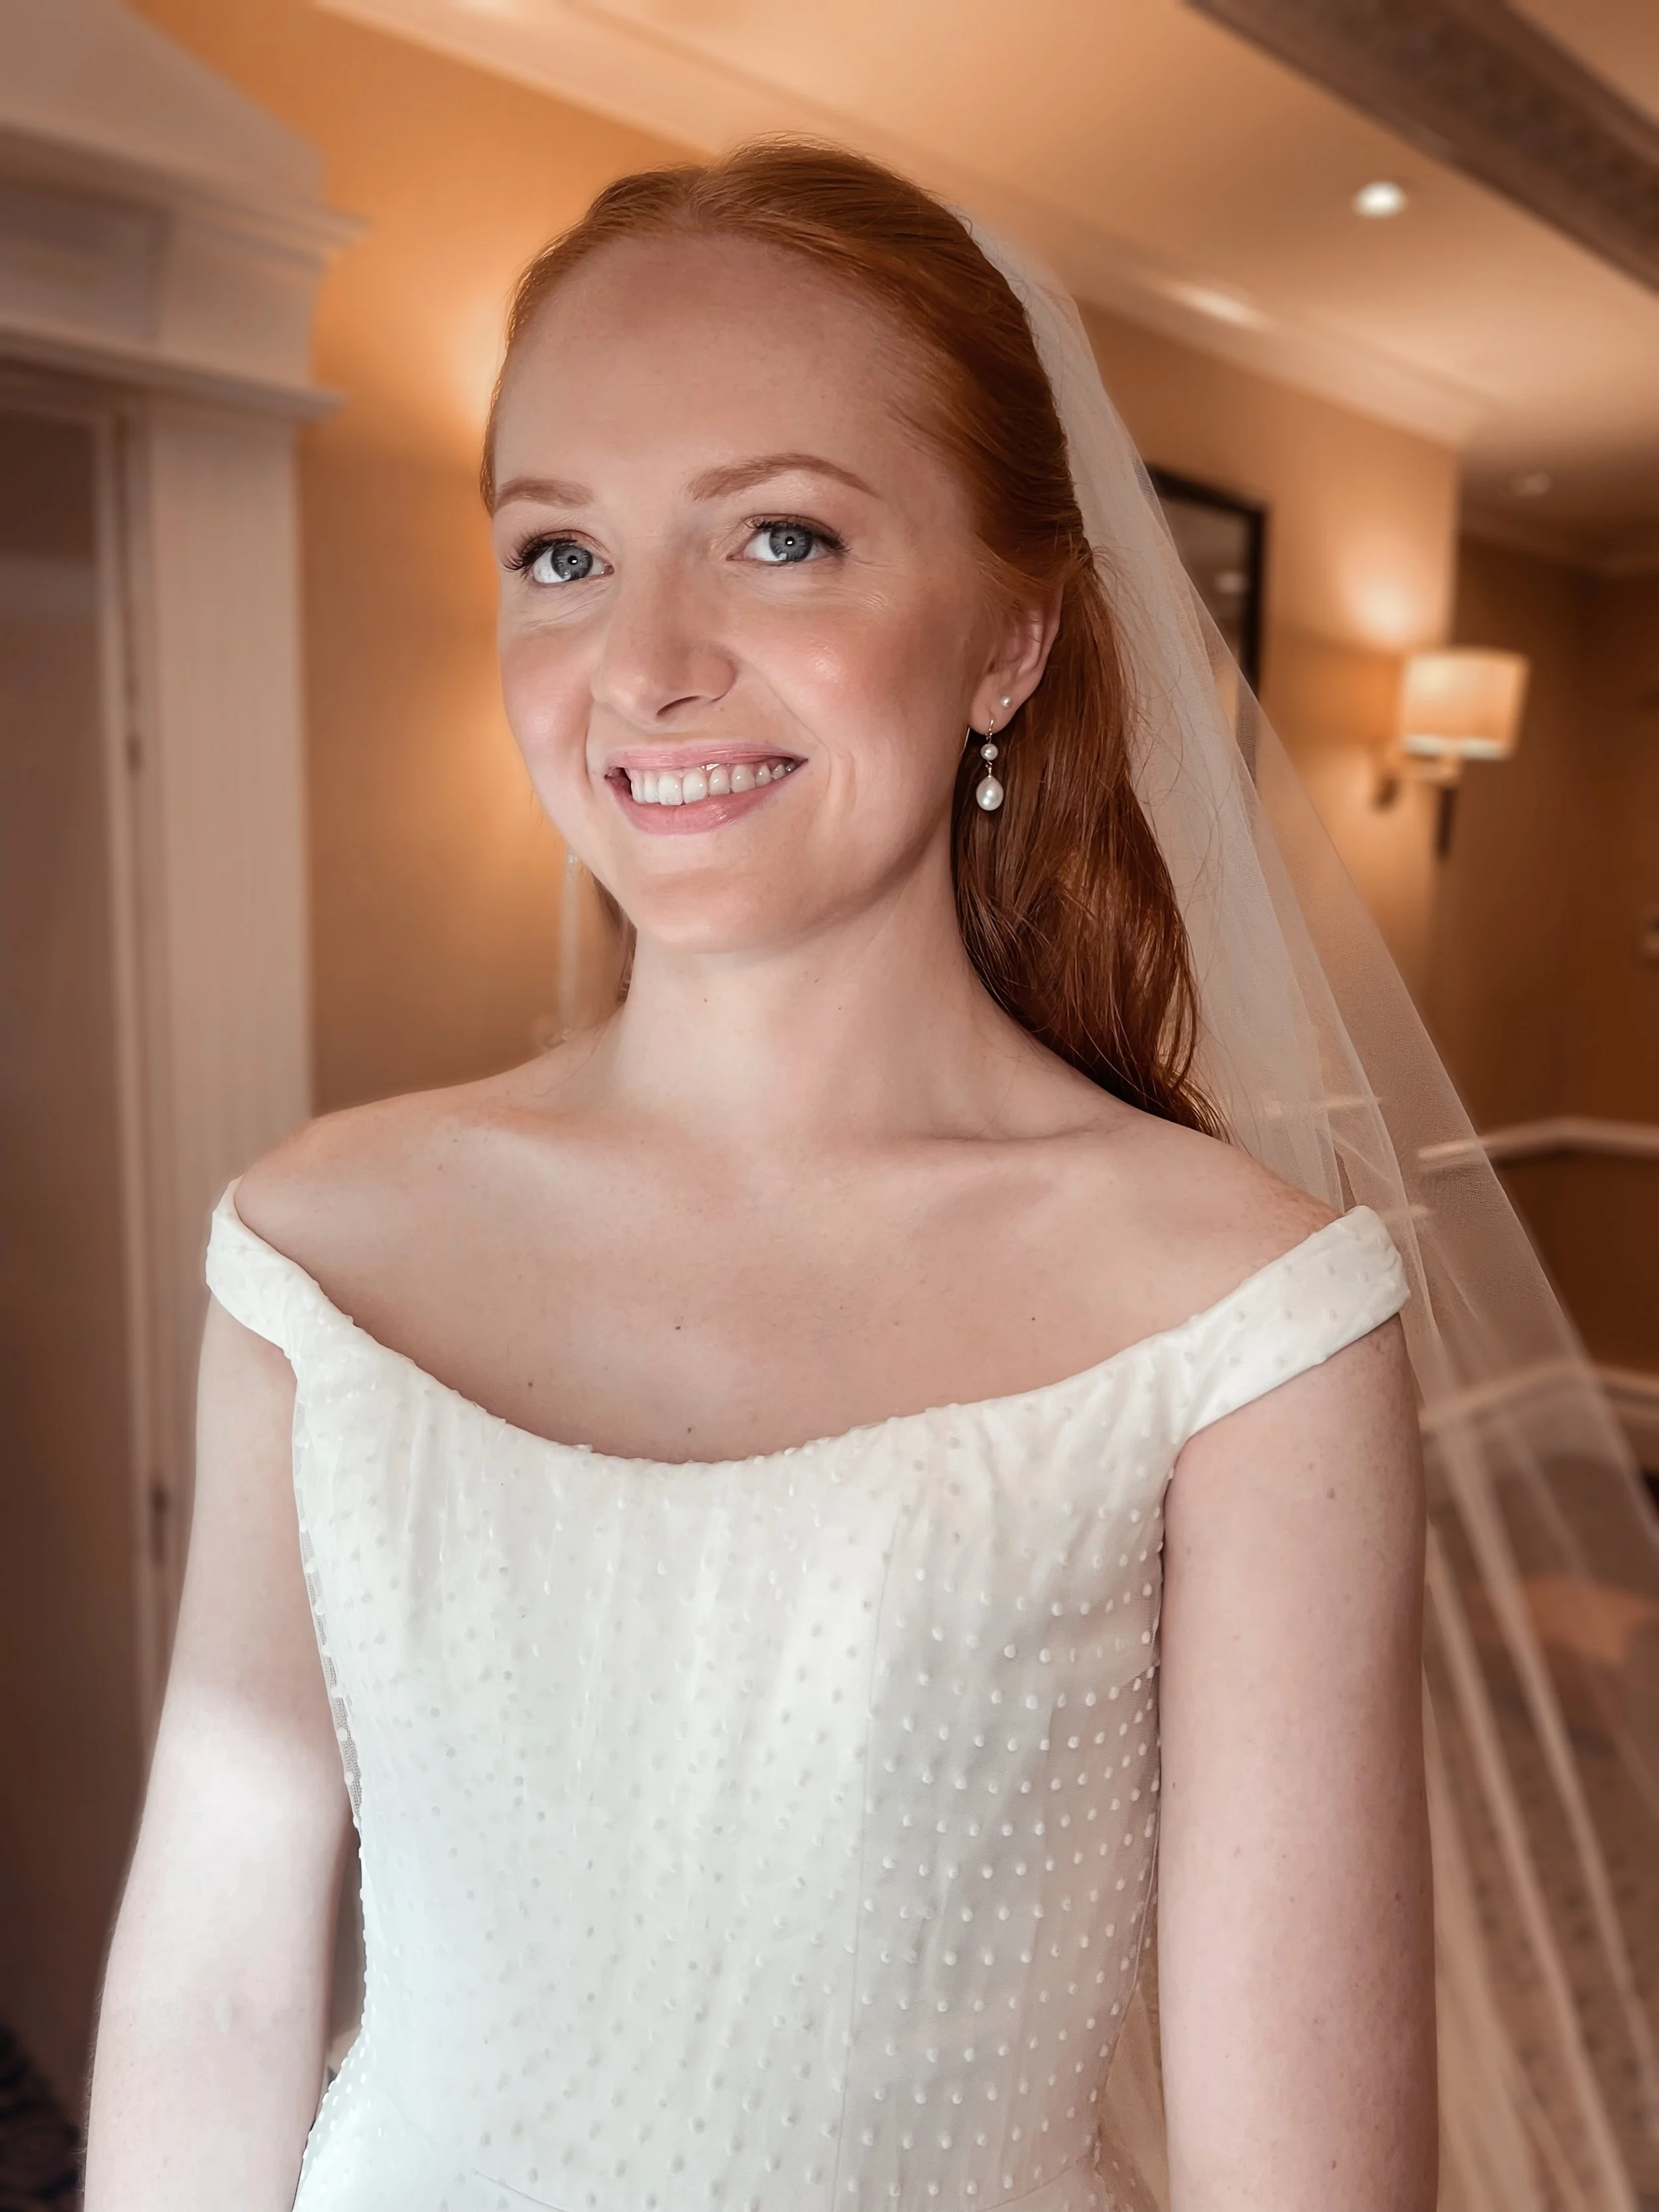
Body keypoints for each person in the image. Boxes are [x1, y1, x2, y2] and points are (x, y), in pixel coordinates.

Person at [83, 139, 1644, 2212]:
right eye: (561, 553)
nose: (641, 661)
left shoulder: (1238, 1314)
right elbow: (213, 1994)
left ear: (1008, 638)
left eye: (782, 537)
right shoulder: (316, 1251)